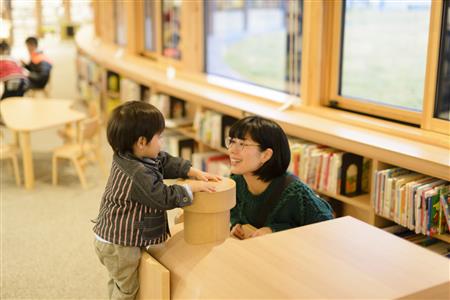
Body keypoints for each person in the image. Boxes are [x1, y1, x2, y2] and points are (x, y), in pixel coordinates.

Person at [93, 101, 221, 299]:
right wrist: (190, 188)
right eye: (159, 138)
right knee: (128, 288)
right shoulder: (137, 173)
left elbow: (163, 160)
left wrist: (191, 171)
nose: (162, 143)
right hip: (119, 244)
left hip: (116, 238)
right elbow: (162, 197)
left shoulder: (132, 155)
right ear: (142, 142)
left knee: (120, 281)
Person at [228, 116, 333, 240]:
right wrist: (236, 226)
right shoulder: (237, 180)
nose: (232, 150)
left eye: (242, 144)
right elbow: (235, 214)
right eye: (232, 141)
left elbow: (328, 228)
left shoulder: (295, 192)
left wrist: (276, 231)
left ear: (266, 155)